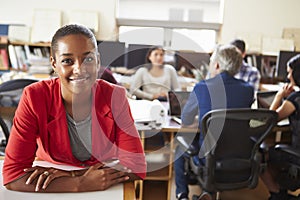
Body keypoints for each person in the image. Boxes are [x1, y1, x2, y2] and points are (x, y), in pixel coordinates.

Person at [2, 24, 146, 192]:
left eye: (88, 59)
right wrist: (79, 184)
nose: (79, 69)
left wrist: (72, 175)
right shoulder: (34, 97)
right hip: (50, 181)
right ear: (54, 64)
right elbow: (12, 176)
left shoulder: (115, 96)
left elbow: (137, 167)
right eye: (67, 61)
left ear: (98, 61)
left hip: (90, 187)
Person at [174, 44, 254, 200]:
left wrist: (202, 118)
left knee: (179, 149)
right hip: (240, 156)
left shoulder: (202, 87)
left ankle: (182, 195)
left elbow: (185, 119)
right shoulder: (248, 89)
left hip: (209, 156)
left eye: (211, 62)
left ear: (217, 65)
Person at [261, 54, 300, 200]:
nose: (288, 76)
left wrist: (279, 96)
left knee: (263, 154)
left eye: (290, 72)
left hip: (298, 154)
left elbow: (269, 120)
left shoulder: (295, 99)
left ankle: (277, 193)